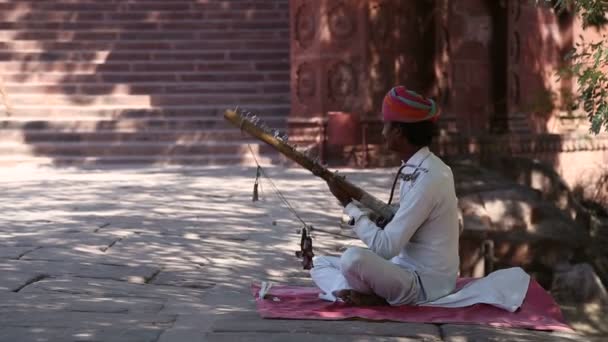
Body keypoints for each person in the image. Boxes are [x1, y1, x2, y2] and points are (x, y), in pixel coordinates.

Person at [311, 86, 460, 306]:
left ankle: (360, 294)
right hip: (403, 271)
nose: (382, 133)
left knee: (353, 258)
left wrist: (347, 204)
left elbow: (386, 247)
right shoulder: (421, 167)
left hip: (425, 285)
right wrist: (358, 198)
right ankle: (362, 295)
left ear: (398, 131)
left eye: (385, 126)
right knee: (319, 263)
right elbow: (397, 216)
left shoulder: (431, 177)